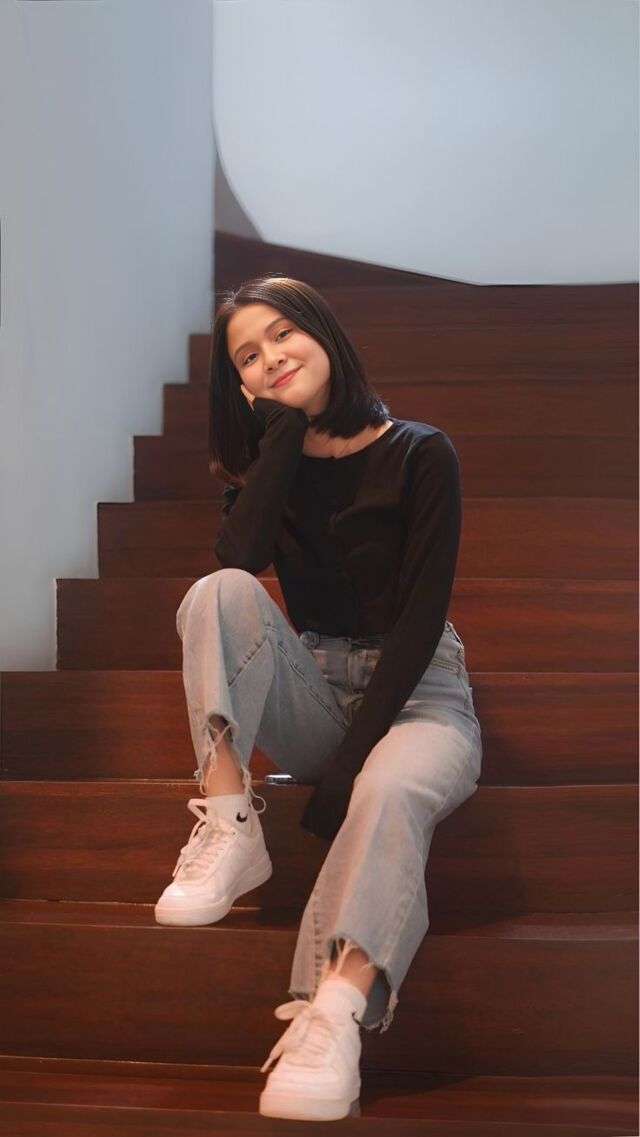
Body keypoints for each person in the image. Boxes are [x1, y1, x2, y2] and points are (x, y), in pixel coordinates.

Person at [154, 274, 483, 1122]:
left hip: (419, 694)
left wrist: (348, 767)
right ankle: (231, 823)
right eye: (246, 357)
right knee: (215, 593)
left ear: (322, 331)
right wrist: (281, 435)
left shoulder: (421, 453)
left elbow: (420, 623)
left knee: (389, 788)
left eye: (281, 335)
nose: (269, 358)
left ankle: (332, 1014)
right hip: (315, 686)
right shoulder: (269, 465)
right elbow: (238, 560)